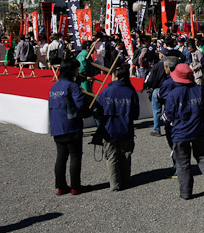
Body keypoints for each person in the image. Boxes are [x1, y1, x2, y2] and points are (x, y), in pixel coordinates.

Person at [164, 63, 204, 200]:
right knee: (203, 157)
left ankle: (186, 193)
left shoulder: (173, 94)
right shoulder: (199, 90)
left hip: (180, 132)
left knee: (183, 163)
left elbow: (167, 115)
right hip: (199, 129)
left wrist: (168, 127)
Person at [95, 65, 140, 191]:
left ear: (116, 77)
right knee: (125, 154)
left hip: (109, 128)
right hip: (126, 127)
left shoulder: (106, 91)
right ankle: (126, 179)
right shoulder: (130, 91)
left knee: (111, 157)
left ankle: (115, 183)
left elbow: (99, 110)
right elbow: (135, 113)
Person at [48, 59, 89, 195]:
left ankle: (61, 186)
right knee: (75, 156)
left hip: (57, 125)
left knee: (61, 156)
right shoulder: (72, 86)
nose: (78, 71)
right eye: (77, 69)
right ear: (72, 70)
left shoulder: (54, 86)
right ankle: (75, 186)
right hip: (71, 125)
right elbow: (80, 104)